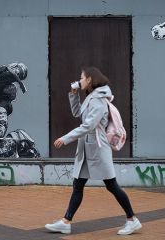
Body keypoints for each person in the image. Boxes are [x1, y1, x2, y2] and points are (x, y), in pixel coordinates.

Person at [45, 67, 142, 235]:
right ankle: (66, 221)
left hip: (98, 148)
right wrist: (73, 93)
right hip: (87, 148)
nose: (79, 80)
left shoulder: (98, 100)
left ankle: (132, 219)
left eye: (81, 78)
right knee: (78, 185)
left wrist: (65, 138)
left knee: (112, 185)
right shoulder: (92, 97)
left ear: (89, 79)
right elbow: (77, 113)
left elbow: (88, 125)